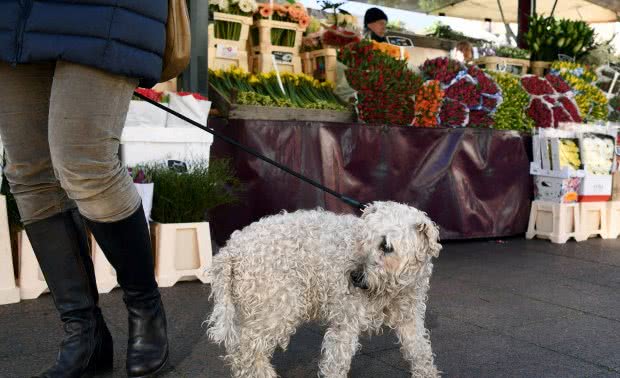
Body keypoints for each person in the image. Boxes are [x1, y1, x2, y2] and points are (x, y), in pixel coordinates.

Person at [0, 2, 170, 377]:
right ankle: (84, 333)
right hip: (14, 14)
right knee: (29, 174)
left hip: (103, 11)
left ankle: (145, 308)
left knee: (86, 164)